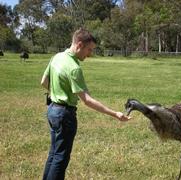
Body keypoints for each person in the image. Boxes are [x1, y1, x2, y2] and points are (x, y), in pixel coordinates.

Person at [41, 28, 131, 180]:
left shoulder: (57, 57)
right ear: (79, 45)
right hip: (64, 116)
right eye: (89, 50)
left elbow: (43, 82)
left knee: (54, 154)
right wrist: (115, 113)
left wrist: (59, 92)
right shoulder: (74, 68)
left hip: (52, 110)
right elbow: (87, 100)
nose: (89, 54)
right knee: (60, 158)